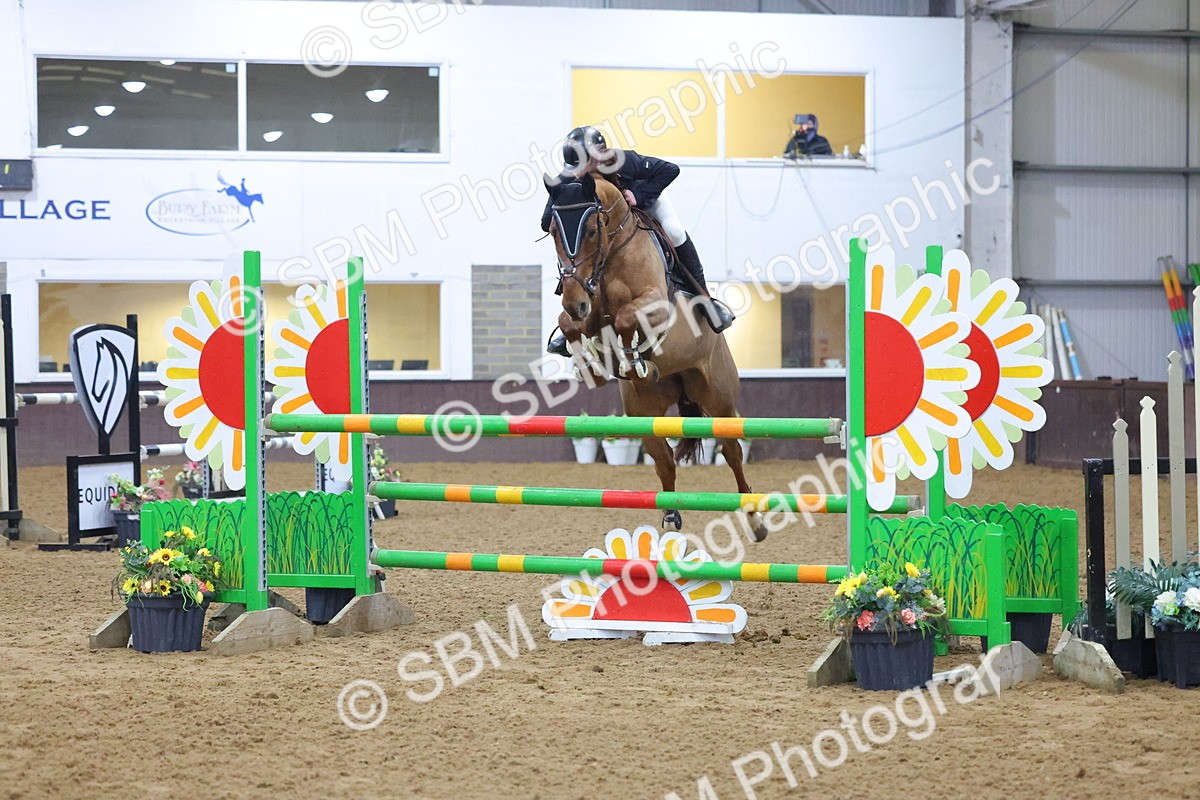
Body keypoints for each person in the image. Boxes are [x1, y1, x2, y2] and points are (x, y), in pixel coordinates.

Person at [542, 126, 734, 358]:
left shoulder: (623, 161)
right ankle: (572, 322)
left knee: (674, 231)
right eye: (573, 168)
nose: (577, 174)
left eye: (582, 167)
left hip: (645, 201)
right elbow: (546, 221)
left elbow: (670, 170)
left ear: (597, 157)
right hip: (604, 221)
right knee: (583, 249)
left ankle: (705, 298)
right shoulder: (568, 177)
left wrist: (637, 194)